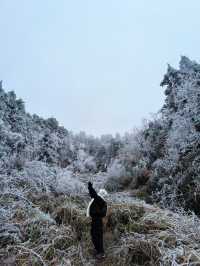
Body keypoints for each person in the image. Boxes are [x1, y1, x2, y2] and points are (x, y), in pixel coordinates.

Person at [87, 182, 108, 260]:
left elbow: (103, 213)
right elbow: (93, 194)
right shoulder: (98, 200)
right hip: (95, 221)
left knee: (97, 237)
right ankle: (98, 250)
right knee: (93, 236)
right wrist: (90, 187)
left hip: (98, 222)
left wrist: (90, 187)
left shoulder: (102, 202)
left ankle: (101, 253)